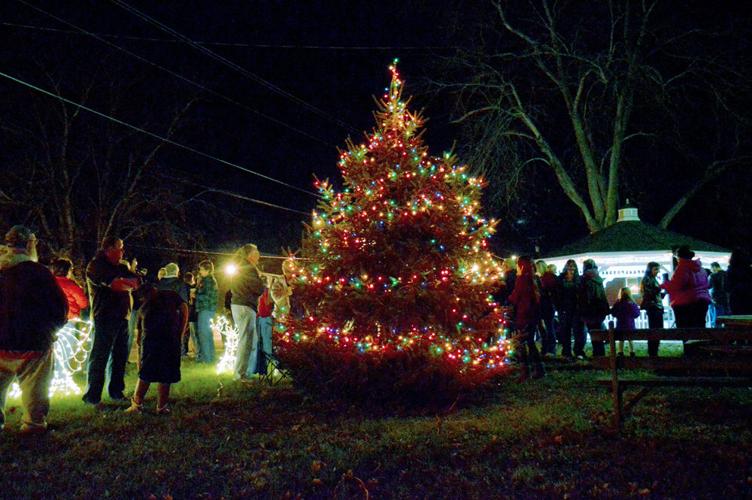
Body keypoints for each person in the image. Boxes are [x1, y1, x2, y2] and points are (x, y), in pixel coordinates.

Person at [0, 226, 68, 433]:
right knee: (35, 390)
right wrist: (52, 330)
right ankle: (33, 425)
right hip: (33, 342)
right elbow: (59, 307)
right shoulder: (39, 273)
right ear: (30, 244)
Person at [83, 236, 140, 405]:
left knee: (120, 356)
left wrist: (125, 282)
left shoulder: (121, 266)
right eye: (120, 247)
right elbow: (115, 285)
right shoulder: (96, 266)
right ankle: (92, 396)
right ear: (109, 249)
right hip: (105, 317)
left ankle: (116, 391)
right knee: (100, 356)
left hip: (123, 316)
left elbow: (137, 281)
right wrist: (124, 282)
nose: (123, 251)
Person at [125, 285, 189, 414]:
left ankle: (156, 406)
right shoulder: (147, 306)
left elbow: (184, 308)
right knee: (152, 373)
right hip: (157, 340)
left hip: (166, 339)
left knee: (160, 373)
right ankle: (143, 404)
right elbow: (140, 328)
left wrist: (181, 331)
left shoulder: (167, 296)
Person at [230, 244, 265, 380]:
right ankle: (240, 374)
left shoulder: (241, 266)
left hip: (239, 304)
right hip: (245, 305)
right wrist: (262, 281)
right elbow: (257, 288)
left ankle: (244, 372)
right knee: (246, 341)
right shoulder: (249, 269)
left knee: (248, 340)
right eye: (257, 253)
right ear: (250, 255)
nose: (259, 256)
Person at [508, 256, 544, 380]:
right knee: (530, 342)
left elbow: (515, 297)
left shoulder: (521, 280)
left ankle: (525, 370)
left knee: (522, 342)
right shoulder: (536, 279)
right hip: (533, 315)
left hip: (523, 315)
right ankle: (539, 368)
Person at [661, 245, 711, 328]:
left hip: (686, 302)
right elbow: (706, 284)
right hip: (703, 300)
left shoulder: (683, 267)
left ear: (679, 257)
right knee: (700, 326)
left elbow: (677, 285)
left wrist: (663, 285)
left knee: (685, 329)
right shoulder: (701, 268)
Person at [579, 259, 610, 357]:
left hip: (590, 310)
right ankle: (600, 353)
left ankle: (598, 355)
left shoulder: (585, 279)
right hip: (599, 310)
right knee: (598, 332)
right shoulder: (598, 279)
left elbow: (586, 296)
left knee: (593, 332)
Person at [555, 259, 584, 359]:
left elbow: (581, 293)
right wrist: (558, 305)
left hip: (576, 308)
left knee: (578, 331)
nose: (571, 268)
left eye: (573, 267)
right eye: (569, 266)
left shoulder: (579, 279)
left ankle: (578, 351)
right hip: (564, 308)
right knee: (565, 330)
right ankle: (566, 351)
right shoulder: (561, 279)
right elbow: (557, 293)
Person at [195, 260, 218, 363]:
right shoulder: (210, 280)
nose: (200, 272)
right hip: (209, 309)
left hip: (206, 309)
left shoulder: (207, 281)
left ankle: (207, 359)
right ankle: (211, 357)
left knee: (204, 334)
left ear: (208, 270)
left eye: (202, 269)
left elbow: (207, 296)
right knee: (208, 334)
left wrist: (196, 295)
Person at [640, 262, 664, 357]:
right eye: (655, 269)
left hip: (657, 306)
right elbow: (647, 294)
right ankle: (652, 352)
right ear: (650, 269)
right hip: (653, 308)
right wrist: (658, 290)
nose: (657, 272)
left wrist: (661, 294)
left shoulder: (653, 279)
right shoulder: (647, 279)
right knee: (654, 330)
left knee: (658, 330)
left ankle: (654, 350)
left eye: (658, 269)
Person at [611, 287, 640, 357]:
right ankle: (632, 352)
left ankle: (620, 352)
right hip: (630, 326)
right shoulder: (631, 303)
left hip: (620, 326)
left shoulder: (618, 304)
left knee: (621, 339)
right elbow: (637, 314)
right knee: (630, 339)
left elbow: (613, 313)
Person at [536, 260, 557, 356]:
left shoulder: (546, 278)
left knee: (548, 328)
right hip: (544, 306)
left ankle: (549, 349)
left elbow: (547, 292)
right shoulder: (546, 278)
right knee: (546, 328)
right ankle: (547, 348)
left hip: (546, 306)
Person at [727, 248, 752, 315]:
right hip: (749, 298)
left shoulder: (730, 270)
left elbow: (727, 287)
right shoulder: (749, 270)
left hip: (735, 298)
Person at [182, 271, 198, 357]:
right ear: (191, 279)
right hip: (191, 311)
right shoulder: (191, 288)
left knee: (185, 332)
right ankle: (185, 351)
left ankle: (184, 351)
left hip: (184, 311)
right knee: (190, 332)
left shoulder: (182, 287)